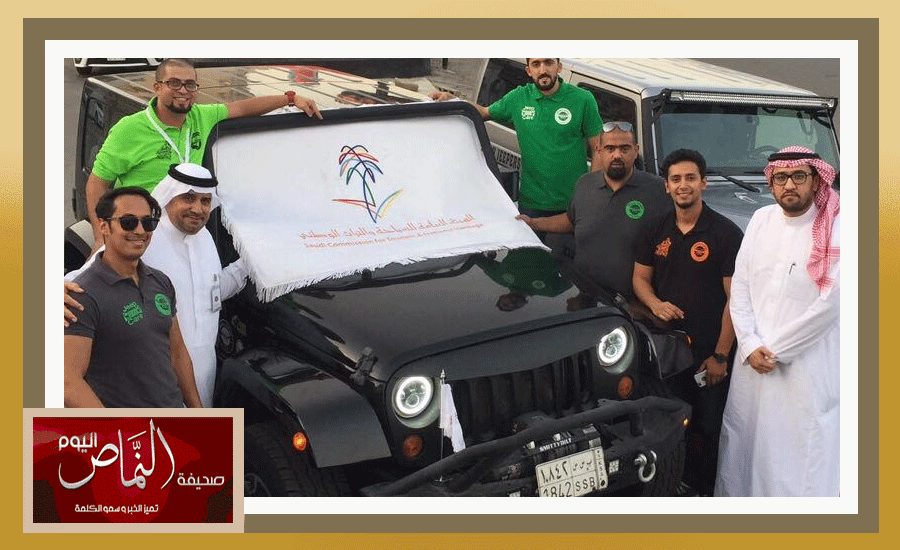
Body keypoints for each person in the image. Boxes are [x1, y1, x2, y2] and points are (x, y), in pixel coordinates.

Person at [85, 58, 322, 253]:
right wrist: (100, 238)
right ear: (157, 87)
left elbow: (243, 108)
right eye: (174, 83)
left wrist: (290, 99)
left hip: (188, 230)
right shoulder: (129, 129)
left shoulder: (202, 116)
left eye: (190, 85)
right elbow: (97, 182)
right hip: (143, 233)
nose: (183, 91)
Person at [67, 163, 248, 408]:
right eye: (189, 198)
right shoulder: (140, 237)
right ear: (170, 196)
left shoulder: (204, 239)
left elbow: (211, 293)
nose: (197, 208)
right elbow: (81, 281)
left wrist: (250, 265)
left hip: (199, 381)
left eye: (205, 201)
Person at [715, 146, 840, 497]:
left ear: (816, 181)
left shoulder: (839, 226)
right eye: (781, 177)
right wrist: (750, 344)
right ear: (770, 183)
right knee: (746, 441)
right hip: (752, 363)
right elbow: (740, 286)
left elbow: (832, 304)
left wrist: (774, 351)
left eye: (799, 176)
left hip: (806, 366)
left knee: (797, 453)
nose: (789, 185)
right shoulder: (760, 219)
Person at [632, 149, 743, 496]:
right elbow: (639, 278)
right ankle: (675, 488)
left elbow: (736, 299)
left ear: (704, 183)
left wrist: (721, 356)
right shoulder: (654, 228)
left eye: (691, 178)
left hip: (708, 354)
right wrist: (655, 303)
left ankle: (705, 494)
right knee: (670, 428)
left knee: (707, 429)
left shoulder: (725, 233)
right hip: (667, 353)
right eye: (676, 179)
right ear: (666, 186)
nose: (683, 185)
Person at [64, 186, 203, 408]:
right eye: (128, 222)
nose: (140, 230)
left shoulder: (160, 282)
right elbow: (69, 382)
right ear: (103, 226)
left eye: (148, 222)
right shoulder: (81, 295)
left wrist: (199, 413)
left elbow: (177, 354)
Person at [431, 58, 603, 218]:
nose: (543, 70)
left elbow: (599, 148)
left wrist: (591, 195)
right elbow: (484, 112)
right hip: (531, 203)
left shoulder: (583, 99)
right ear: (528, 71)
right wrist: (453, 100)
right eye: (536, 64)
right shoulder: (518, 98)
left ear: (559, 67)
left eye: (548, 62)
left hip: (572, 203)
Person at [516, 122, 670, 300]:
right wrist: (534, 223)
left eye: (625, 148)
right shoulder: (585, 183)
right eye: (610, 148)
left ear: (636, 151)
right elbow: (571, 221)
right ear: (599, 151)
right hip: (585, 297)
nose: (617, 155)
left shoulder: (658, 190)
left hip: (630, 304)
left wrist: (652, 302)